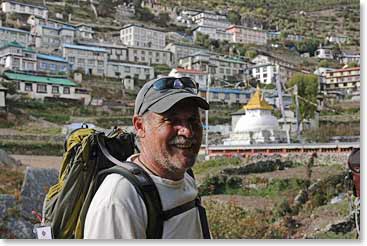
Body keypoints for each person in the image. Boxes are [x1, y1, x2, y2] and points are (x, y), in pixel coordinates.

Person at [84, 77, 210, 239]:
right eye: (171, 120)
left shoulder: (186, 177)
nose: (187, 132)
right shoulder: (120, 200)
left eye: (193, 120)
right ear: (140, 126)